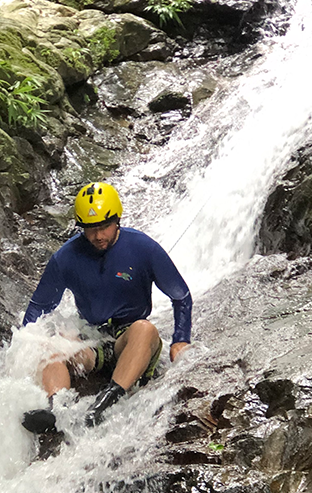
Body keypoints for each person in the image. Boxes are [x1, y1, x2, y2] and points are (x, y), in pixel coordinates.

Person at [21, 181, 192, 433]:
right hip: (93, 341)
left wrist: (181, 339)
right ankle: (58, 410)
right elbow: (38, 309)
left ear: (117, 219)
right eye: (90, 229)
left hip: (130, 339)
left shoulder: (143, 248)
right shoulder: (66, 257)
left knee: (144, 329)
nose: (98, 236)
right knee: (53, 344)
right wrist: (27, 347)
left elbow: (181, 295)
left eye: (104, 227)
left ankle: (103, 406)